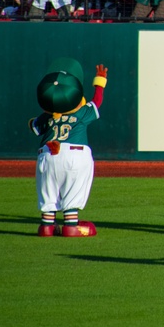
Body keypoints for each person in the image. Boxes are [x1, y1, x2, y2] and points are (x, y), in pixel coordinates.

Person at [30, 58, 108, 237]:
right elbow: (97, 101)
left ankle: (47, 226)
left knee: (48, 191)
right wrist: (100, 83)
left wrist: (49, 112)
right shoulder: (80, 113)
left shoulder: (46, 117)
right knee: (73, 190)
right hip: (75, 154)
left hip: (47, 155)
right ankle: (71, 225)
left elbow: (33, 127)